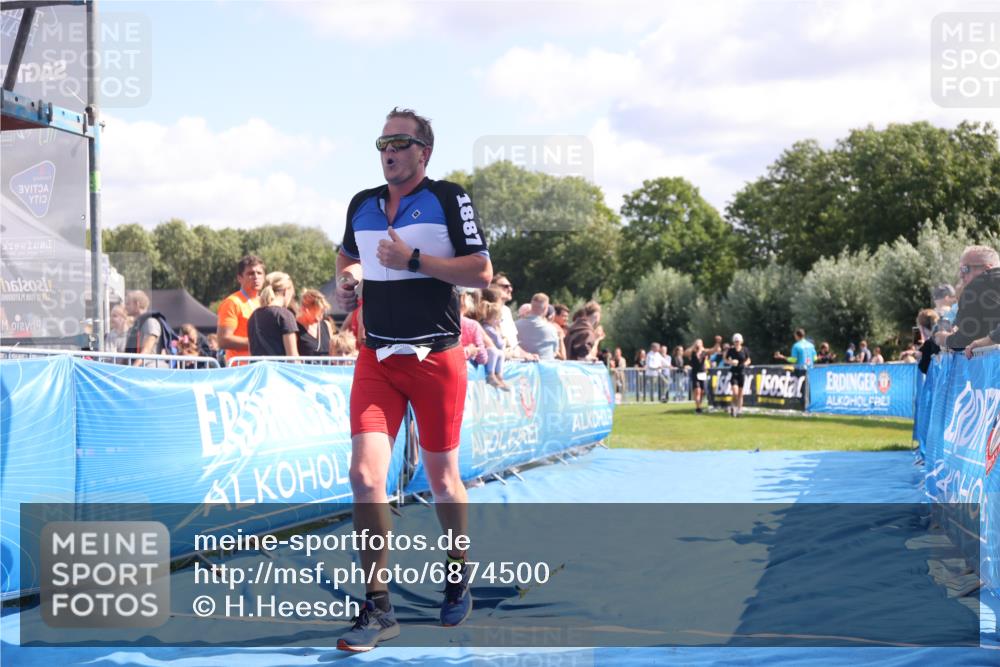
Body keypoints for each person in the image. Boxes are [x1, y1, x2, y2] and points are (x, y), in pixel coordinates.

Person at [333, 107, 492, 652]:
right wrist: (349, 279)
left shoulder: (450, 197)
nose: (388, 149)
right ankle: (377, 607)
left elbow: (480, 271)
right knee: (364, 476)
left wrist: (414, 259)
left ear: (424, 151)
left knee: (444, 481)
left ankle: (458, 569)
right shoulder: (361, 203)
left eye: (400, 140)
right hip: (376, 360)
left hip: (436, 359)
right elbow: (346, 258)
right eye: (383, 141)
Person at [938, 246, 1000, 350]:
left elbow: (966, 338)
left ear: (987, 268)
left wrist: (945, 339)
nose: (961, 275)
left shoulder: (975, 287)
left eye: (965, 269)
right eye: (960, 269)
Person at [217, 255, 266, 366]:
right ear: (239, 278)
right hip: (241, 370)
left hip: (262, 367)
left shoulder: (264, 302)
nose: (255, 277)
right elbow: (223, 340)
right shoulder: (232, 302)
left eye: (259, 273)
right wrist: (257, 343)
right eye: (250, 273)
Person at [248, 272, 299, 357]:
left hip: (259, 369)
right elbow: (292, 356)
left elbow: (251, 352)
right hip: (279, 369)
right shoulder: (285, 315)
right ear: (286, 291)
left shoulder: (253, 316)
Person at [123, 290, 165, 366]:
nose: (125, 307)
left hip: (150, 368)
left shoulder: (151, 322)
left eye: (128, 304)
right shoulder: (136, 326)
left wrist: (133, 368)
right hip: (140, 368)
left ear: (137, 304)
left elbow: (146, 350)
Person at [514, 293, 560, 360]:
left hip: (519, 367)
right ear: (545, 308)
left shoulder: (515, 325)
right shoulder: (551, 329)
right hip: (545, 367)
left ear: (531, 306)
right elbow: (555, 351)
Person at [480, 299, 512, 390]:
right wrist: (505, 340)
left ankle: (498, 376)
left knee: (500, 353)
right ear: (491, 318)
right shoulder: (488, 329)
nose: (500, 321)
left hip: (493, 351)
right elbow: (500, 344)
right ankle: (491, 374)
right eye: (498, 318)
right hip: (488, 352)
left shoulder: (491, 328)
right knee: (495, 352)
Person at [297, 289, 335, 356]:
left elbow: (333, 352)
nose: (320, 317)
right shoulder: (295, 328)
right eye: (316, 312)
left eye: (322, 312)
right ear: (305, 309)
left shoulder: (327, 325)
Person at [685, 338, 719, 414]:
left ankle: (699, 406)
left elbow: (713, 350)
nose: (698, 344)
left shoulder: (704, 352)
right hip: (695, 373)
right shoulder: (692, 352)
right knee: (697, 391)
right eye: (697, 343)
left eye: (699, 343)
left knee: (702, 392)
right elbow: (686, 353)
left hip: (702, 373)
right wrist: (693, 347)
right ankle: (698, 408)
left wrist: (717, 342)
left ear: (702, 344)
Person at [726, 333, 751, 417]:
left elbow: (748, 360)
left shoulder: (745, 350)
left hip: (742, 372)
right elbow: (726, 359)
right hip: (734, 373)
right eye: (735, 341)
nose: (737, 342)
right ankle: (733, 407)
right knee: (735, 392)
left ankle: (739, 411)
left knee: (740, 393)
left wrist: (745, 364)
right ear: (733, 341)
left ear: (741, 341)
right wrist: (731, 362)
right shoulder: (731, 350)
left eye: (738, 341)